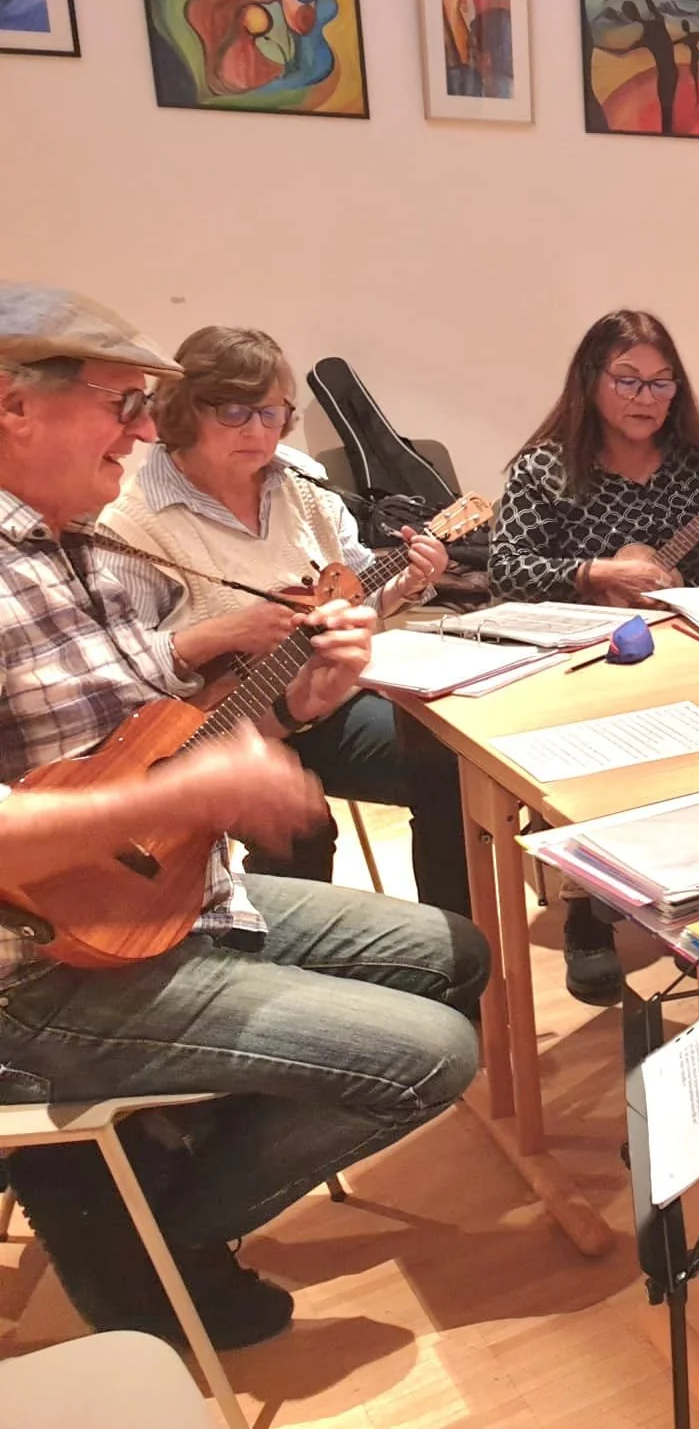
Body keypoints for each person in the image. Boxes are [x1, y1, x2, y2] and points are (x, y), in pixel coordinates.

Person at [0, 283, 488, 1351]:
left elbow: (162, 731)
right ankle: (130, 1236)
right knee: (431, 1054)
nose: (142, 432)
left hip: (173, 891)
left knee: (453, 954)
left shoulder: (101, 553)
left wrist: (302, 699)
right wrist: (189, 795)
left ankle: (141, 1161)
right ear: (13, 407)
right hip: (42, 966)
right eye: (121, 402)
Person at [97, 325, 469, 917]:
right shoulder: (133, 524)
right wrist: (223, 633)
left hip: (326, 705)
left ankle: (452, 960)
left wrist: (408, 581)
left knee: (450, 769)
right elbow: (122, 674)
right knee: (300, 829)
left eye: (273, 414)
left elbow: (351, 589)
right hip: (222, 733)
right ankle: (297, 971)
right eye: (236, 412)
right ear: (185, 410)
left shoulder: (298, 478)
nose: (259, 432)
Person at [491, 309, 699, 1003]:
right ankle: (587, 912)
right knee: (597, 767)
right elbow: (506, 570)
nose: (646, 399)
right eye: (628, 381)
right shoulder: (547, 468)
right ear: (591, 382)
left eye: (661, 383)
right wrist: (595, 573)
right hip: (593, 658)